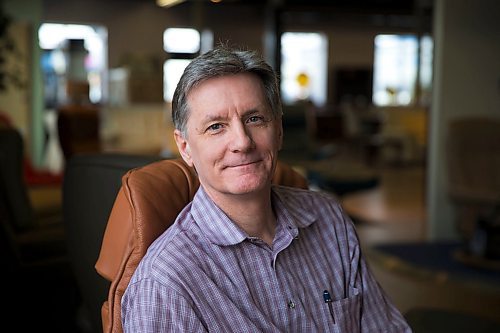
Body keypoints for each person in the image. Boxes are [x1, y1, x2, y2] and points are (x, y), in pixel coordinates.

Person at [121, 46, 411, 332]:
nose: (242, 142)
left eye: (254, 119)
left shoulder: (329, 219)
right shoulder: (165, 285)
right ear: (184, 147)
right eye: (216, 127)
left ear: (280, 131)